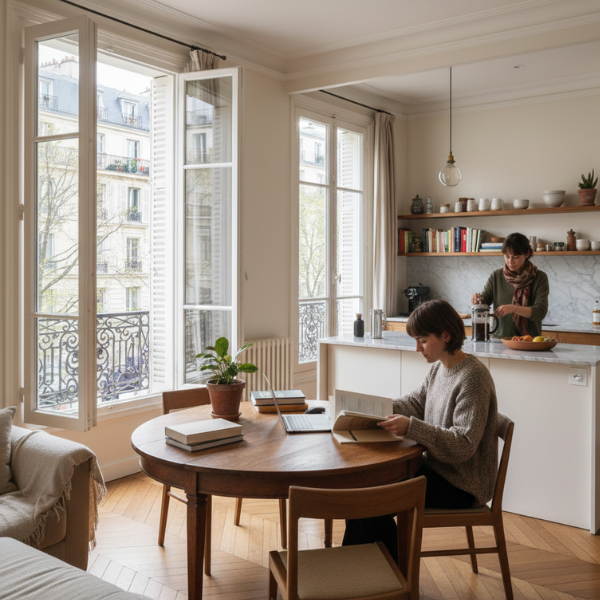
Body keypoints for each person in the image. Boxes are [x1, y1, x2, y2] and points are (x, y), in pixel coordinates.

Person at [342, 299, 498, 562]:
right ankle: (369, 576)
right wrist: (372, 409)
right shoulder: (440, 368)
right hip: (436, 470)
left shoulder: (473, 378)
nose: (417, 348)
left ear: (445, 336)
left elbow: (464, 443)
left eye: (422, 340)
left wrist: (412, 428)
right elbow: (414, 402)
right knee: (363, 494)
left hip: (461, 483)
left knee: (370, 502)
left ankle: (389, 579)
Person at [471, 232, 549, 339]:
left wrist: (514, 308)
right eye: (507, 256)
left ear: (527, 254)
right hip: (500, 340)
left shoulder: (539, 277)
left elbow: (540, 312)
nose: (510, 261)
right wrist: (478, 301)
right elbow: (484, 302)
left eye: (515, 257)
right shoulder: (496, 276)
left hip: (529, 341)